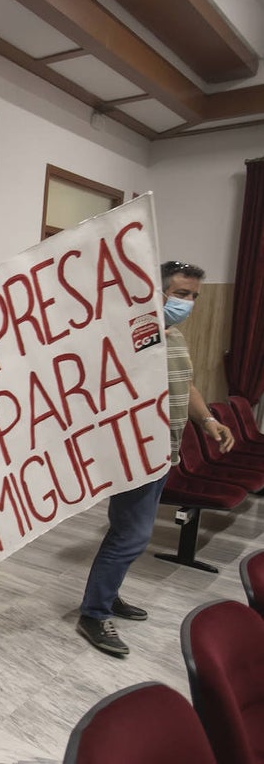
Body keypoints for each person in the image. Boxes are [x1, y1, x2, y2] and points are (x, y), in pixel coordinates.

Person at [76, 260, 234, 657]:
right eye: (181, 294)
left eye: (194, 296)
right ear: (155, 291)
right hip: (138, 453)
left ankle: (107, 597)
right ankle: (94, 613)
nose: (188, 302)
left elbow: (186, 383)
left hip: (167, 451)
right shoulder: (135, 336)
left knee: (125, 534)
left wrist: (208, 420)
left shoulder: (174, 335)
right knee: (131, 535)